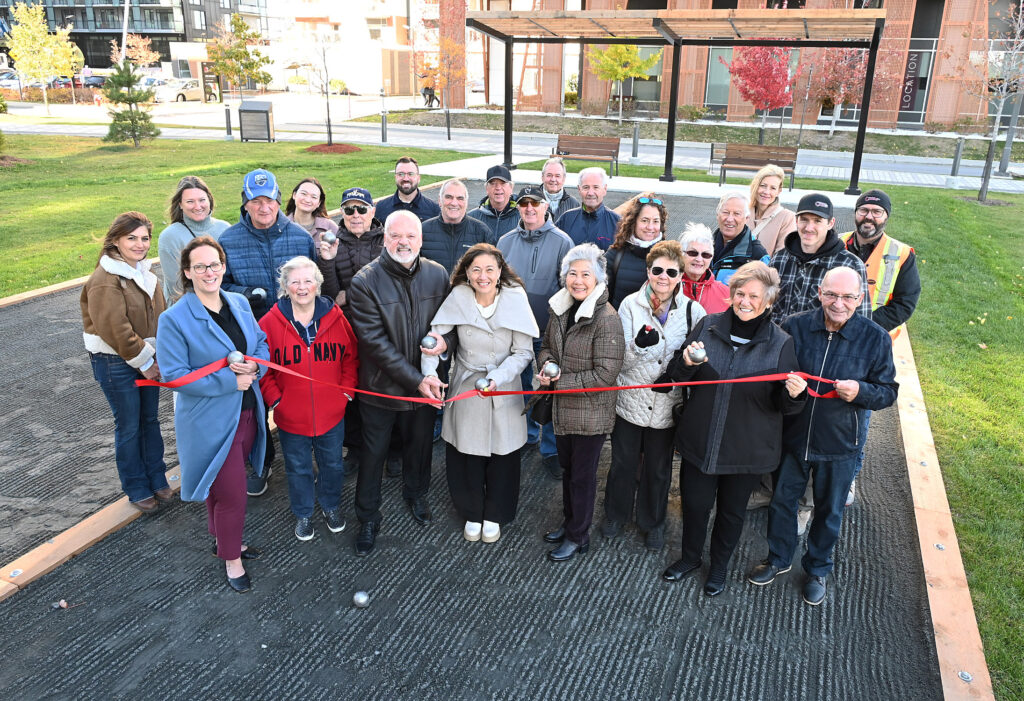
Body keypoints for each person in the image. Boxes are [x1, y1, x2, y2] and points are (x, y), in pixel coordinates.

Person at [747, 267, 898, 606]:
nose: (838, 303)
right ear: (819, 292)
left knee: (829, 511)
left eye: (847, 297)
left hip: (841, 444)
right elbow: (771, 376)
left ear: (860, 299)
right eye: (831, 295)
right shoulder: (795, 327)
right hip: (794, 438)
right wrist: (789, 389)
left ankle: (817, 569)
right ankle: (778, 558)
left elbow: (888, 392)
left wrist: (860, 391)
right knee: (782, 502)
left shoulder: (876, 338)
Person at [654, 262, 807, 596]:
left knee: (731, 513)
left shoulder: (781, 344)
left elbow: (787, 406)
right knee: (694, 505)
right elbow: (678, 377)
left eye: (754, 296)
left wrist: (795, 395)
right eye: (740, 293)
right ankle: (690, 558)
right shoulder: (708, 326)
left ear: (768, 302)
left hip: (747, 450)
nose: (745, 301)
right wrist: (688, 363)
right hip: (701, 440)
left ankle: (719, 567)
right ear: (731, 294)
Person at [157, 236, 269, 593]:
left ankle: (222, 538)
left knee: (220, 489)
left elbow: (261, 343)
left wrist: (256, 367)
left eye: (215, 264)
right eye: (200, 266)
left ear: (224, 266)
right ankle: (232, 559)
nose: (210, 272)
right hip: (209, 422)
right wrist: (229, 383)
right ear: (187, 273)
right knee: (233, 494)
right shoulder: (173, 319)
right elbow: (174, 376)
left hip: (248, 413)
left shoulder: (238, 302)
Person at [346, 211, 450, 556]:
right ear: (384, 239)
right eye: (395, 236)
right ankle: (368, 516)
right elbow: (375, 344)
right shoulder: (365, 282)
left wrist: (443, 350)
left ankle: (416, 494)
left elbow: (446, 327)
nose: (403, 242)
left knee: (420, 448)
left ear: (421, 240)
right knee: (373, 455)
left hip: (424, 388)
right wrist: (418, 380)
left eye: (410, 236)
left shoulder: (437, 275)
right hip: (381, 390)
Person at [422, 244, 538, 544]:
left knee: (504, 454)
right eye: (476, 269)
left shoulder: (515, 299)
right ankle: (471, 510)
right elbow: (434, 339)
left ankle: (495, 513)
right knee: (466, 453)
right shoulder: (459, 296)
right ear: (467, 272)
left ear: (500, 272)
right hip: (467, 384)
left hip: (503, 385)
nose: (482, 276)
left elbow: (523, 352)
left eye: (489, 269)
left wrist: (496, 378)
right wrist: (430, 374)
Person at [602, 240, 706, 551]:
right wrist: (639, 347)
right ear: (648, 271)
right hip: (631, 400)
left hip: (665, 402)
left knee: (658, 470)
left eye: (671, 271)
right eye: (657, 270)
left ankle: (653, 522)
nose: (663, 277)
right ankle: (615, 514)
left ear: (681, 275)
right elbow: (619, 358)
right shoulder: (629, 306)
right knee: (622, 463)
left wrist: (677, 375)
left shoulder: (693, 311)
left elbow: (694, 361)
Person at [220, 168, 315, 497]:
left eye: (270, 200)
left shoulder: (301, 238)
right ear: (245, 203)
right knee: (255, 404)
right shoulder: (227, 241)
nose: (264, 208)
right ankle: (261, 463)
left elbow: (314, 287)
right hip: (250, 336)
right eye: (255, 201)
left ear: (279, 200)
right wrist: (246, 293)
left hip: (294, 335)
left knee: (297, 397)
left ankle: (304, 461)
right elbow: (219, 287)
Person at [258, 256, 359, 542]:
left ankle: (330, 506)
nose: (302, 287)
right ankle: (303, 512)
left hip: (331, 413)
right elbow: (263, 370)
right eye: (295, 282)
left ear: (317, 284)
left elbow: (351, 358)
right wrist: (277, 400)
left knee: (332, 465)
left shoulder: (335, 317)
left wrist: (345, 392)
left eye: (307, 281)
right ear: (285, 286)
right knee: (298, 467)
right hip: (291, 416)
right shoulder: (269, 323)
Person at [537, 243, 624, 562]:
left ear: (598, 279)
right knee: (568, 469)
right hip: (563, 410)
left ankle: (578, 536)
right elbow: (546, 346)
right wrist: (545, 366)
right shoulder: (559, 307)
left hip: (590, 414)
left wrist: (561, 383)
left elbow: (606, 373)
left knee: (583, 477)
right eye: (572, 273)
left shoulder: (607, 318)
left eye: (586, 274)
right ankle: (570, 522)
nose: (578, 280)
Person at [81, 211, 169, 513]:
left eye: (144, 238)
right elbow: (114, 327)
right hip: (115, 361)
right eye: (131, 238)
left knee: (150, 420)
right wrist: (145, 361)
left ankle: (157, 477)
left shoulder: (145, 273)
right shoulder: (105, 280)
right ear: (115, 240)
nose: (140, 244)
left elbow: (159, 317)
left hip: (146, 358)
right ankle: (136, 486)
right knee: (130, 425)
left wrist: (158, 355)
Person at [839, 189, 920, 505]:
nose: (869, 217)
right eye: (864, 210)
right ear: (856, 213)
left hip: (873, 347)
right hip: (833, 336)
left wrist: (863, 325)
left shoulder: (900, 254)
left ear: (886, 217)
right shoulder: (838, 241)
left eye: (876, 212)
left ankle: (848, 478)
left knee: (859, 410)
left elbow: (904, 303)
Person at [497, 185, 573, 479]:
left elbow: (568, 288)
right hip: (514, 331)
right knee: (519, 385)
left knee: (550, 386)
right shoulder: (504, 241)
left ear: (546, 207)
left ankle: (551, 447)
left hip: (547, 330)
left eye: (535, 204)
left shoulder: (563, 242)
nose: (529, 208)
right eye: (524, 203)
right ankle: (525, 435)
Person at [316, 186, 385, 470]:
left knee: (381, 387)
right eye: (348, 210)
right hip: (345, 328)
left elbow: (386, 287)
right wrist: (328, 261)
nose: (355, 215)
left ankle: (389, 448)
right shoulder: (333, 242)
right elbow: (331, 294)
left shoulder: (386, 239)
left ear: (372, 211)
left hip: (381, 326)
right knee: (351, 388)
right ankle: (355, 447)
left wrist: (351, 292)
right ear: (341, 213)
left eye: (361, 209)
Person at [157, 176, 229, 303]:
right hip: (187, 309)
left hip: (223, 305)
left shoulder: (225, 229)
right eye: (190, 201)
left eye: (202, 200)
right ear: (180, 204)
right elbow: (177, 289)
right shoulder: (170, 237)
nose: (197, 206)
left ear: (209, 200)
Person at [605, 193, 668, 309]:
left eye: (655, 221)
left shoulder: (669, 256)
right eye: (645, 220)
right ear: (633, 222)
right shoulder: (615, 254)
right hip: (620, 324)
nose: (650, 227)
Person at [420, 179, 496, 275]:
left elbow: (493, 271)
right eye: (449, 197)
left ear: (466, 202)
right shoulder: (422, 231)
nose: (454, 203)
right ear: (440, 200)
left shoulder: (482, 232)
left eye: (460, 198)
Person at [710, 191, 770, 284]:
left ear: (746, 218)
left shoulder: (758, 256)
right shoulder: (704, 246)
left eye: (736, 214)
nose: (729, 219)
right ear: (717, 215)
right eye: (725, 212)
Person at [555, 167, 621, 250]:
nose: (590, 193)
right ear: (579, 189)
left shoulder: (617, 222)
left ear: (604, 189)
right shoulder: (567, 219)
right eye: (586, 187)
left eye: (596, 187)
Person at [678, 222, 731, 314]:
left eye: (705, 255)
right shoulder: (666, 286)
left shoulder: (726, 295)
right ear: (681, 254)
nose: (699, 259)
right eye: (692, 253)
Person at [746, 165, 796, 255]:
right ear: (755, 186)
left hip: (767, 268)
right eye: (763, 186)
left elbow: (782, 256)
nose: (766, 192)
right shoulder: (743, 212)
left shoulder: (787, 218)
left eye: (773, 188)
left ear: (779, 191)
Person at [374, 157, 441, 224]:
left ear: (418, 178)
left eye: (410, 174)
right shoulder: (381, 208)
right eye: (401, 174)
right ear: (395, 177)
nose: (406, 179)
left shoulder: (434, 211)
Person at [468, 165, 521, 241]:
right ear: (487, 188)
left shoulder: (522, 217)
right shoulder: (472, 218)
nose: (498, 188)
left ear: (511, 187)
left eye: (503, 183)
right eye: (493, 183)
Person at [284, 177, 339, 245]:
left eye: (314, 197)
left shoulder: (329, 227)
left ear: (319, 203)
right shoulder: (280, 227)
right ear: (294, 195)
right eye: (304, 194)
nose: (307, 200)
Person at [541, 157, 580, 222]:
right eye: (549, 175)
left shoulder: (573, 204)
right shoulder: (532, 200)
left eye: (557, 176)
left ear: (564, 179)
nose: (553, 179)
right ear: (542, 177)